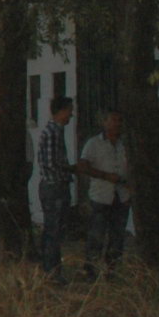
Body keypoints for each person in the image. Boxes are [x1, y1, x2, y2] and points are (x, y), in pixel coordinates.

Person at [76, 108, 131, 279]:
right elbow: (83, 166)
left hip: (121, 196)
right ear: (105, 123)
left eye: (119, 120)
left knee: (117, 237)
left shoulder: (125, 144)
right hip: (100, 195)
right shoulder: (94, 143)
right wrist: (105, 176)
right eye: (113, 120)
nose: (117, 124)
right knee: (96, 235)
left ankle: (111, 271)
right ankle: (90, 270)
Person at [36, 97, 75, 281]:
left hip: (55, 186)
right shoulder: (52, 132)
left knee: (54, 230)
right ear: (60, 111)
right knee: (53, 230)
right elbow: (52, 163)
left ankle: (51, 269)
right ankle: (51, 272)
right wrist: (71, 169)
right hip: (54, 187)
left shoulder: (55, 131)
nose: (71, 115)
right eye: (69, 111)